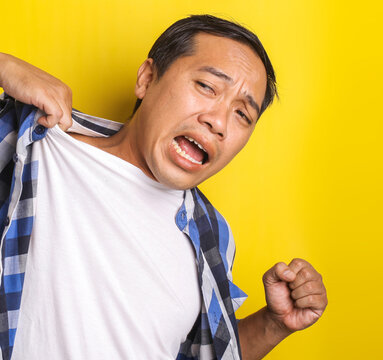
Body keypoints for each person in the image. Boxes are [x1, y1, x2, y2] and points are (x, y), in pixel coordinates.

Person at [0, 14, 327, 360]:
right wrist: (4, 65)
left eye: (242, 114)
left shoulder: (213, 236)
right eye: (206, 86)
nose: (218, 121)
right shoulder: (34, 145)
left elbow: (204, 354)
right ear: (147, 78)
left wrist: (274, 324)